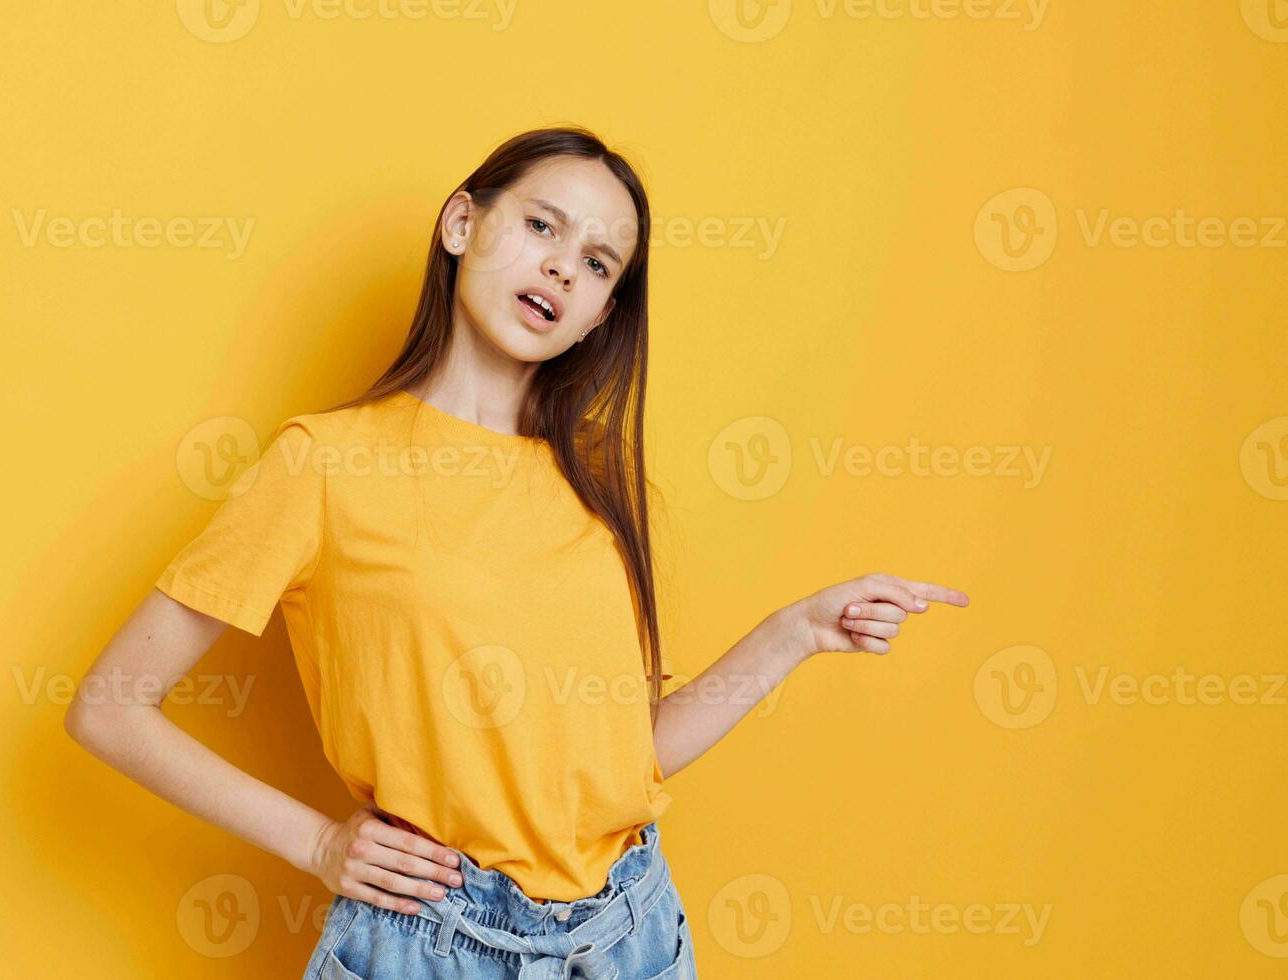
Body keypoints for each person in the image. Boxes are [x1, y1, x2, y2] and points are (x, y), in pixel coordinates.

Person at [63, 125, 970, 978]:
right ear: (463, 222)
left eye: (596, 263)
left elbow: (626, 756)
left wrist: (799, 630)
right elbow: (108, 708)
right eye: (542, 225)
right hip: (438, 942)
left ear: (600, 315)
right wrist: (317, 844)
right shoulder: (323, 466)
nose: (559, 268)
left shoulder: (596, 484)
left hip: (631, 933)